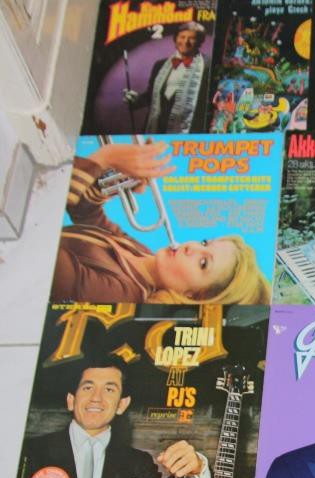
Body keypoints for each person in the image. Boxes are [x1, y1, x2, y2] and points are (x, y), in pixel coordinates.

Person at [52, 140, 270, 304]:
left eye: (203, 262)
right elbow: (86, 214)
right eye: (205, 243)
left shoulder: (120, 294)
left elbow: (46, 254)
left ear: (193, 296)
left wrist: (104, 158)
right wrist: (117, 178)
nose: (191, 247)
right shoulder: (144, 255)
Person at [12, 358, 211, 478]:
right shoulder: (30, 452)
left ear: (122, 404)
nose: (96, 398)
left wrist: (196, 471)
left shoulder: (139, 463)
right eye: (88, 387)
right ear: (71, 400)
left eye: (109, 389)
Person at [123, 21, 210, 134]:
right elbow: (152, 96)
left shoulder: (208, 65)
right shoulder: (160, 65)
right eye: (182, 37)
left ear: (200, 42)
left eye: (192, 38)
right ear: (175, 39)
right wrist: (136, 99)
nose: (186, 42)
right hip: (157, 129)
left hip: (188, 132)